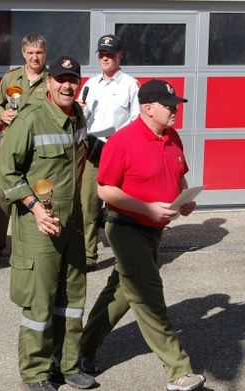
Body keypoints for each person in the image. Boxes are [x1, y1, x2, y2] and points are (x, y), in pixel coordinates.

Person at [79, 79, 205, 391]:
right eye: (169, 105)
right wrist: (147, 208)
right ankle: (178, 371)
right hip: (126, 229)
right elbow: (104, 188)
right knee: (149, 297)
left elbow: (177, 173)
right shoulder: (122, 141)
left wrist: (182, 198)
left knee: (122, 293)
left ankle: (81, 350)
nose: (175, 110)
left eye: (176, 104)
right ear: (148, 108)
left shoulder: (172, 137)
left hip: (154, 231)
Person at [0, 56, 95, 391]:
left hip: (72, 224)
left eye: (73, 79)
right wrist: (36, 209)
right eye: (61, 79)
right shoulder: (31, 119)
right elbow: (7, 172)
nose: (67, 85)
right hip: (39, 225)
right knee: (39, 302)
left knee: (72, 297)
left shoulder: (78, 115)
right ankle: (35, 373)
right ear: (49, 81)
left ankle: (67, 365)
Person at [0, 32, 48, 267]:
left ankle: (38, 247)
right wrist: (1, 114)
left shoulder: (52, 79)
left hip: (38, 149)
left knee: (39, 195)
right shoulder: (11, 78)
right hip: (10, 148)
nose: (35, 57)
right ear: (23, 53)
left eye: (39, 53)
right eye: (31, 53)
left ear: (45, 54)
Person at [77, 34, 139, 271]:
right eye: (102, 54)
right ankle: (87, 256)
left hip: (118, 152)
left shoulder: (131, 85)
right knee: (88, 206)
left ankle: (125, 256)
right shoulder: (90, 85)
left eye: (110, 53)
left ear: (119, 55)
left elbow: (136, 122)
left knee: (119, 209)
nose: (106, 57)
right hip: (92, 151)